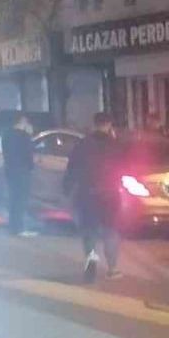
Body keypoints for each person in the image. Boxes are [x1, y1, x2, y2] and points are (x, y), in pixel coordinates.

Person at [64, 113, 123, 283]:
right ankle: (112, 269)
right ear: (109, 124)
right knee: (111, 231)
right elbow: (124, 167)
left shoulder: (82, 144)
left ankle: (91, 265)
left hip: (87, 194)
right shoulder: (116, 145)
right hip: (110, 194)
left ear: (94, 124)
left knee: (89, 232)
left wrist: (67, 189)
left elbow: (72, 169)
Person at [1, 113, 36, 237]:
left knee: (13, 198)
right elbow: (29, 154)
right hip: (22, 171)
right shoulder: (24, 136)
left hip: (10, 170)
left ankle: (13, 227)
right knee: (21, 199)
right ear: (23, 121)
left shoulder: (6, 135)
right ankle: (19, 228)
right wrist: (30, 135)